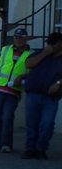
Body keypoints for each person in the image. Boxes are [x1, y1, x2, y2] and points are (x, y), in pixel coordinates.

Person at [21, 31, 62, 160]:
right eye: (48, 43)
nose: (50, 46)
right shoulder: (40, 53)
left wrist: (58, 83)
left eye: (52, 44)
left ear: (59, 44)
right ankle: (30, 149)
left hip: (51, 98)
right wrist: (45, 53)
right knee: (31, 124)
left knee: (47, 124)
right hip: (33, 94)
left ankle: (41, 149)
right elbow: (28, 64)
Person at [0, 27, 31, 153]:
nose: (18, 40)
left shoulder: (30, 54)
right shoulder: (5, 49)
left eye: (21, 37)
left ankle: (6, 144)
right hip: (0, 87)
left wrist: (23, 78)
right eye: (16, 37)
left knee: (7, 117)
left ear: (26, 39)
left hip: (14, 90)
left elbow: (31, 72)